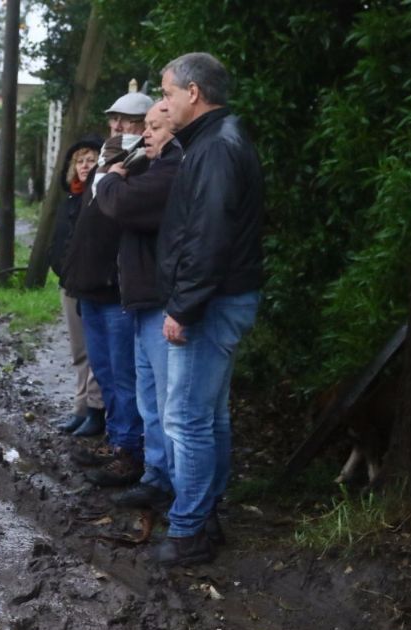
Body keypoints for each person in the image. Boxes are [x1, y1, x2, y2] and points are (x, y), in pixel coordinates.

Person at [154, 53, 264, 566]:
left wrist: (184, 306)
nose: (164, 102)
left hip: (211, 303)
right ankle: (205, 513)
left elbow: (209, 236)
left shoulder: (217, 148)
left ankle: (188, 530)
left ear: (193, 93)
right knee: (210, 416)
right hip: (222, 298)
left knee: (188, 418)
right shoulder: (219, 140)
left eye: (168, 93)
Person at [63, 91, 152, 481]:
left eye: (128, 120)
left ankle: (129, 452)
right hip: (90, 286)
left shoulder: (145, 161)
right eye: (114, 119)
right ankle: (116, 443)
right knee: (103, 369)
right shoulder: (104, 157)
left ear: (147, 123)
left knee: (123, 375)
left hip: (117, 289)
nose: (117, 127)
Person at [92, 102, 180, 495]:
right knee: (150, 399)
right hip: (142, 299)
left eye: (154, 127)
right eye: (143, 127)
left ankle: (180, 492)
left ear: (175, 132)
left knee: (168, 403)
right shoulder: (154, 165)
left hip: (160, 298)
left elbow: (119, 203)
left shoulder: (171, 169)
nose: (145, 135)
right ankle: (155, 476)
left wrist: (111, 177)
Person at [49, 135, 105, 436]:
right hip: (68, 283)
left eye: (91, 160)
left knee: (95, 350)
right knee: (79, 351)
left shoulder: (98, 196)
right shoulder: (71, 197)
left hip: (90, 284)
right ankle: (81, 407)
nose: (85, 165)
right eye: (80, 160)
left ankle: (95, 410)